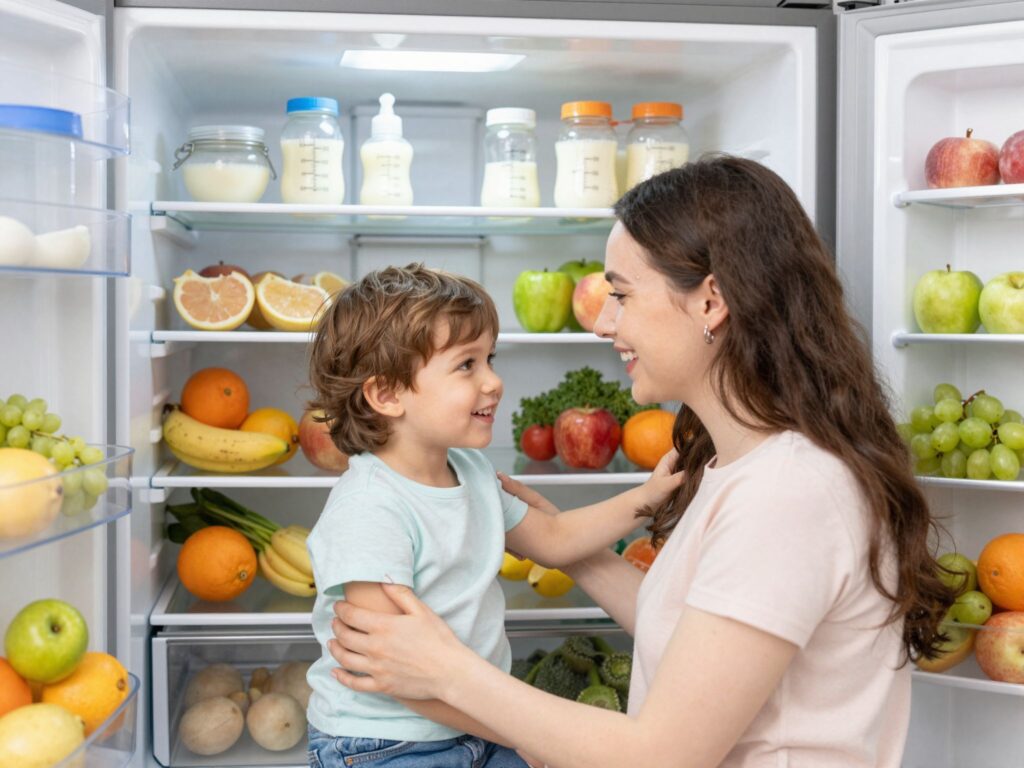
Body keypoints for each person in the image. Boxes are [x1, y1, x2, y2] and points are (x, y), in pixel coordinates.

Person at [325, 157, 959, 768]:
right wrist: (569, 547)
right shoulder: (736, 464)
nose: (602, 322)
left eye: (621, 294)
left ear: (712, 302)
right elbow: (691, 636)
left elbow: (663, 754)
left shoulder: (788, 495)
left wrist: (448, 670)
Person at [303, 264, 681, 768]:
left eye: (490, 359)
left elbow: (554, 538)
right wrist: (522, 732)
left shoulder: (471, 471)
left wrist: (650, 495)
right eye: (466, 365)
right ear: (387, 395)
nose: (494, 381)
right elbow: (390, 671)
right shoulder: (371, 507)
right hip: (386, 741)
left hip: (478, 719)